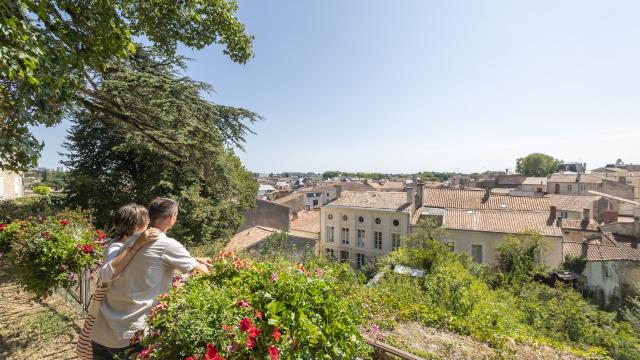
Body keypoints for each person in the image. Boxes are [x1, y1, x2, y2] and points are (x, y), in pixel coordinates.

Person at [91, 198, 212, 359]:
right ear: (171, 218)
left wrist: (193, 259)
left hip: (102, 331)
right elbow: (203, 273)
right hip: (130, 338)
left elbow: (148, 260)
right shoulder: (168, 245)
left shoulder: (131, 240)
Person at [77, 204, 159, 359]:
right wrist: (138, 243)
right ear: (137, 226)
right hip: (118, 333)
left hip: (112, 329)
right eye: (147, 223)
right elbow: (107, 273)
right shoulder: (117, 247)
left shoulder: (125, 246)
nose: (148, 227)